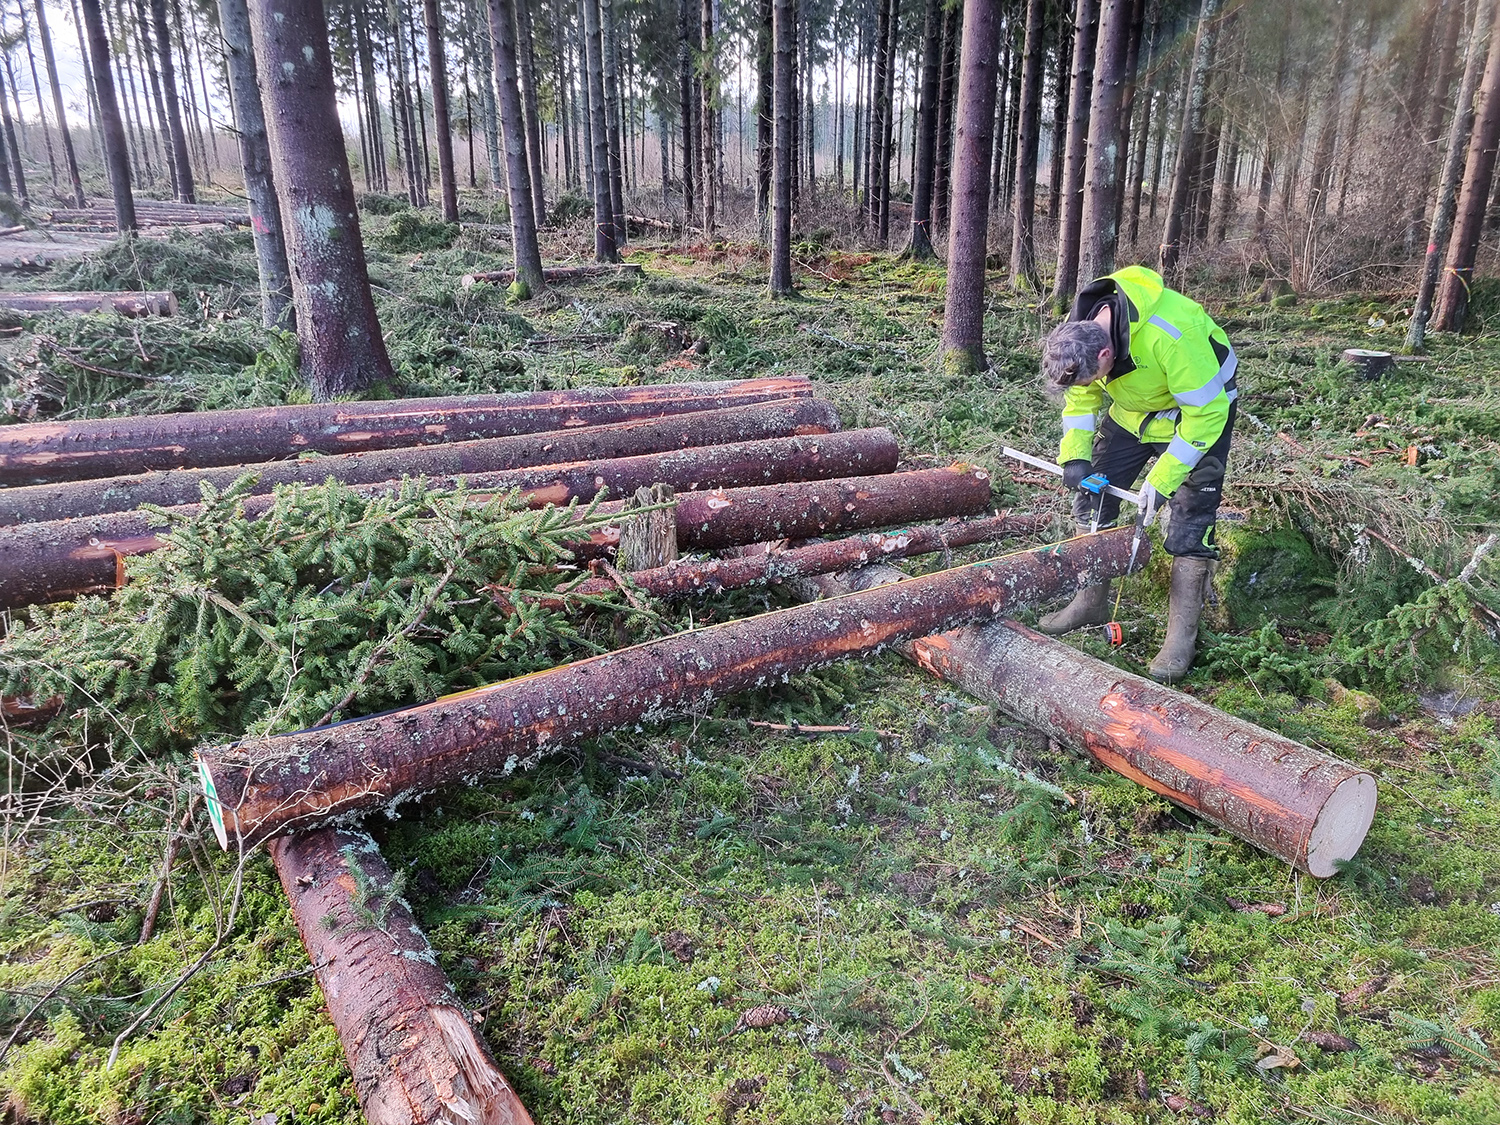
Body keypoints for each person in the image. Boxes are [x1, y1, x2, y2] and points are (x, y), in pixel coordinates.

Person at [1036, 265, 1238, 683]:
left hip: (1198, 415)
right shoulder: (1084, 331)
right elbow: (1081, 398)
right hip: (1132, 413)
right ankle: (1090, 602)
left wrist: (1162, 480)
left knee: (1190, 523)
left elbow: (1207, 413)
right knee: (1093, 500)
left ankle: (1181, 639)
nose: (1089, 384)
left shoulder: (1173, 335)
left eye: (1094, 376)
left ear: (1105, 356)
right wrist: (1075, 458)